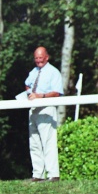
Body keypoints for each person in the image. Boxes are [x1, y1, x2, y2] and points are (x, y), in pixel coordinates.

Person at [24, 46, 64, 182]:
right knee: (34, 142)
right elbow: (27, 84)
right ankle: (38, 174)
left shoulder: (54, 72)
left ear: (47, 57)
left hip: (46, 108)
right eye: (36, 58)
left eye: (40, 58)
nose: (38, 61)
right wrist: (29, 93)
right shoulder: (33, 71)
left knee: (48, 142)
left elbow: (57, 92)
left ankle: (53, 174)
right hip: (33, 108)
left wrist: (41, 96)